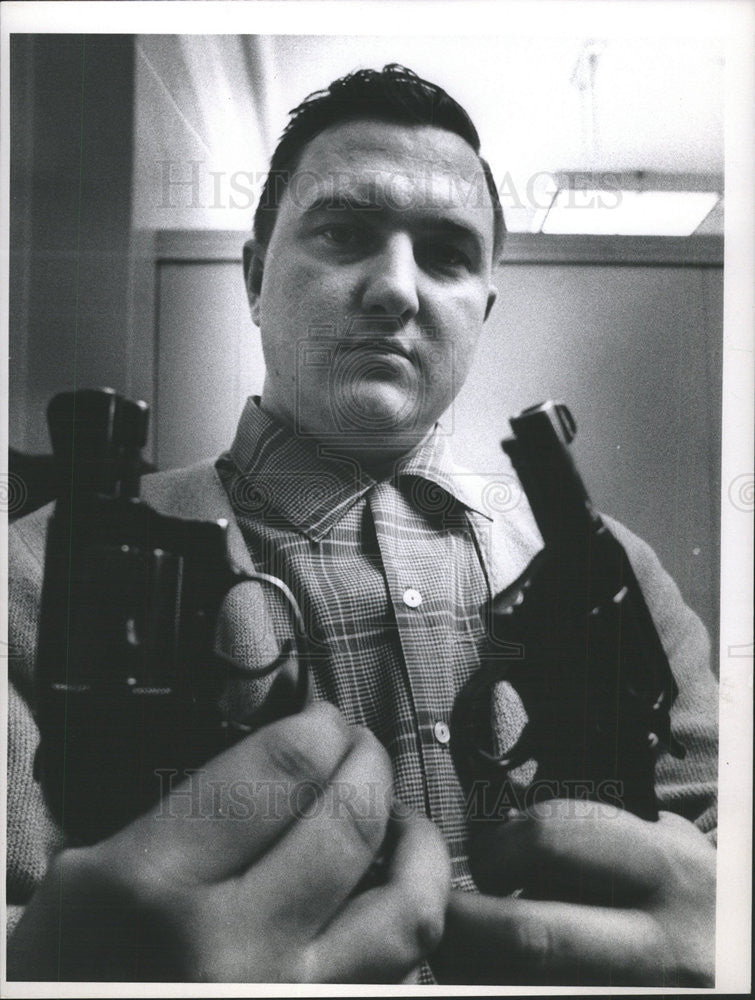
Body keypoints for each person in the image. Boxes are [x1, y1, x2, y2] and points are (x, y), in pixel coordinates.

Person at [7, 64, 718, 985]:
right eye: (343, 233)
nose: (395, 288)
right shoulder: (25, 580)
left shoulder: (622, 571)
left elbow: (712, 833)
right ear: (257, 276)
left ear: (482, 312)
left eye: (447, 254)